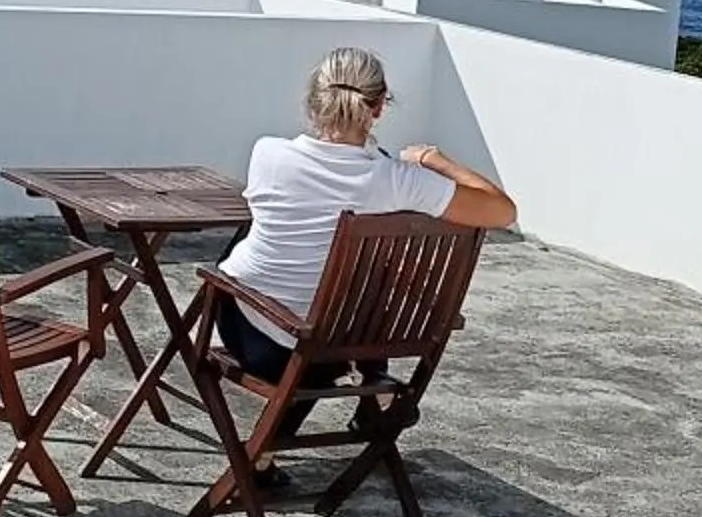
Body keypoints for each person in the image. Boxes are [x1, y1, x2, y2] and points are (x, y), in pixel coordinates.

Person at [213, 44, 516, 389]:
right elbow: (503, 211)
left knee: (245, 240)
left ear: (314, 99)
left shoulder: (268, 155)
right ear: (379, 107)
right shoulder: (398, 181)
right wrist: (434, 159)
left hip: (257, 343)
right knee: (366, 264)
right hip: (332, 354)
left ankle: (340, 393)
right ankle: (373, 378)